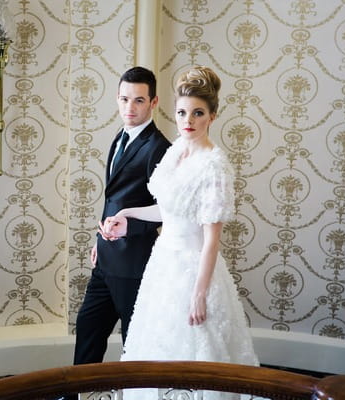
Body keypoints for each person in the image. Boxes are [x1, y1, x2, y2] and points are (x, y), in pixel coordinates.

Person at [102, 66, 259, 400]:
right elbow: (169, 211)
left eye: (198, 113)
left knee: (195, 356)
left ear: (212, 116)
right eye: (182, 112)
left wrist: (200, 292)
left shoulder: (214, 165)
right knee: (153, 344)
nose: (188, 120)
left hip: (193, 268)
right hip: (162, 265)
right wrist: (126, 214)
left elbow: (211, 239)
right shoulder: (175, 151)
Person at [65, 67, 170, 399]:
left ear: (153, 102)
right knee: (88, 329)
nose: (130, 108)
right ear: (117, 98)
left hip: (134, 263)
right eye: (125, 99)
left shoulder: (158, 148)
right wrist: (100, 242)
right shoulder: (121, 136)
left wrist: (129, 227)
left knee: (133, 341)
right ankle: (79, 396)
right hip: (106, 258)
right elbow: (113, 198)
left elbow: (168, 209)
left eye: (139, 101)